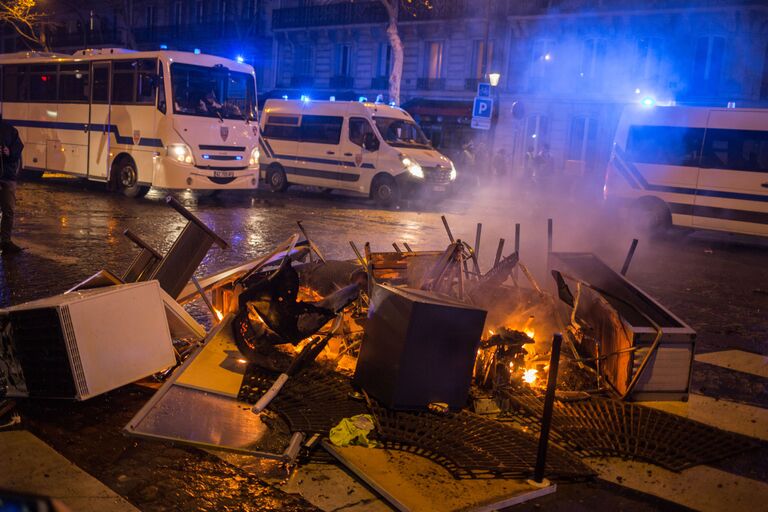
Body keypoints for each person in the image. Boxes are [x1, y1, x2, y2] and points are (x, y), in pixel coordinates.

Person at [0, 114, 24, 254]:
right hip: (7, 176)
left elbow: (18, 148)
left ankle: (5, 241)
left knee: (8, 210)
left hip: (6, 175)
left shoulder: (9, 130)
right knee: (8, 210)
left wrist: (9, 152)